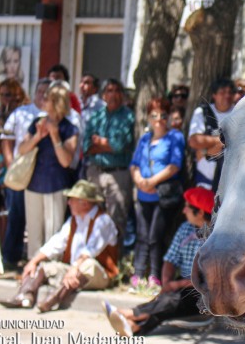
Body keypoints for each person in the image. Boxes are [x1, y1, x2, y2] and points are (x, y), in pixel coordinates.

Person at [102, 187, 213, 336]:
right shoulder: (185, 228)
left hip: (204, 291)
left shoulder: (215, 237)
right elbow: (170, 259)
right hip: (183, 284)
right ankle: (133, 326)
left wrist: (177, 284)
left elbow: (210, 279)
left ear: (199, 212)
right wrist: (167, 282)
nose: (183, 211)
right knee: (169, 299)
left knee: (172, 300)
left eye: (187, 207)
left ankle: (131, 313)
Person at [0, 180, 118, 313]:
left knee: (87, 265)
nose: (69, 203)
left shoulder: (103, 221)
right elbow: (56, 243)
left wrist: (75, 268)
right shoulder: (74, 219)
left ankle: (53, 300)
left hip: (98, 274)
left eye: (72, 200)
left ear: (84, 203)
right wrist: (34, 261)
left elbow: (90, 250)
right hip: (74, 269)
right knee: (44, 267)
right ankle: (25, 296)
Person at [129, 97, 185, 290]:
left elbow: (174, 166)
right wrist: (140, 181)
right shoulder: (144, 138)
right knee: (142, 234)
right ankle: (137, 274)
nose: (159, 119)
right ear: (148, 117)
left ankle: (155, 275)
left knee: (155, 236)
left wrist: (152, 182)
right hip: (144, 194)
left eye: (163, 115)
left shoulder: (175, 136)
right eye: (154, 115)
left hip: (162, 195)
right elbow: (134, 165)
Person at [19, 85, 79, 259]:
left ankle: (50, 268)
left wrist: (55, 136)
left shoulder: (69, 129)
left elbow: (66, 161)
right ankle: (33, 267)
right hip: (33, 183)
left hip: (56, 185)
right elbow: (22, 149)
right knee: (34, 231)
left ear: (56, 102)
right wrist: (38, 136)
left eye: (47, 98)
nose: (43, 101)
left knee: (53, 233)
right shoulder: (37, 123)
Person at [0, 78, 50, 267]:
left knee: (40, 220)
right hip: (21, 171)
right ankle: (10, 257)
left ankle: (37, 259)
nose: (43, 95)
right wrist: (10, 166)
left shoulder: (55, 116)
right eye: (40, 91)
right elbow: (7, 139)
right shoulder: (21, 113)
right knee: (16, 216)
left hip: (43, 175)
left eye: (47, 92)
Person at [82, 78, 135, 236]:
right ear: (103, 95)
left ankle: (113, 257)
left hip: (117, 174)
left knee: (115, 219)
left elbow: (120, 146)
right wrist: (107, 145)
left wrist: (99, 142)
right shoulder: (97, 116)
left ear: (122, 95)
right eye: (109, 91)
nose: (113, 95)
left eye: (117, 91)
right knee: (92, 215)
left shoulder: (128, 116)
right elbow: (86, 147)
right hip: (95, 172)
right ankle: (93, 256)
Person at [188, 78, 234, 189]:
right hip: (206, 178)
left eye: (230, 93)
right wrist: (223, 141)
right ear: (214, 95)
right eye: (222, 92)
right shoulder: (203, 112)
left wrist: (205, 149)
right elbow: (194, 141)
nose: (226, 96)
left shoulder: (239, 112)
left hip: (231, 178)